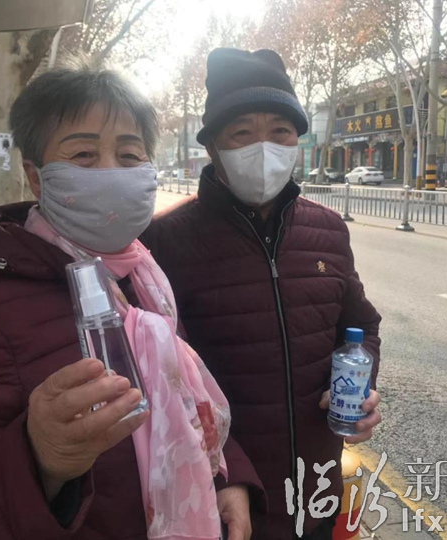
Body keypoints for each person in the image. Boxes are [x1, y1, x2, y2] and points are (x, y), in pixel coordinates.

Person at [0, 65, 261, 540]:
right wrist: (38, 459)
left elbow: (182, 393)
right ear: (35, 178)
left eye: (130, 155)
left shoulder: (144, 280)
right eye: (83, 155)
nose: (112, 173)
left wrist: (225, 474)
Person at [141, 48, 383, 540]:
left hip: (316, 493)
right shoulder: (164, 241)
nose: (265, 147)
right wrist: (219, 473)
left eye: (280, 131)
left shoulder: (328, 230)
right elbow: (158, 377)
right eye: (243, 133)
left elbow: (360, 327)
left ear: (297, 141)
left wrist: (359, 388)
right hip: (227, 505)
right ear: (213, 147)